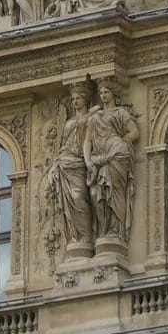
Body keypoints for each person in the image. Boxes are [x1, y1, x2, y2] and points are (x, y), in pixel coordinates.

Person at [84, 79, 139, 242]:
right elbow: (87, 141)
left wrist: (121, 143)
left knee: (114, 193)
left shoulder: (120, 113)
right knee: (95, 194)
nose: (103, 95)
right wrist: (88, 161)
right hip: (98, 158)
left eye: (106, 92)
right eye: (101, 92)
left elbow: (134, 132)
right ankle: (103, 230)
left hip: (116, 156)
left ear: (113, 94)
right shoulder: (94, 118)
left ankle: (115, 230)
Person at [43, 83, 94, 250]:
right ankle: (75, 236)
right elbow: (63, 145)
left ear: (86, 99)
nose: (76, 102)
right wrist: (54, 166)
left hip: (80, 164)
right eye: (73, 99)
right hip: (65, 162)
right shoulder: (69, 122)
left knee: (78, 198)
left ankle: (86, 236)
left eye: (79, 98)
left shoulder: (92, 118)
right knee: (68, 205)